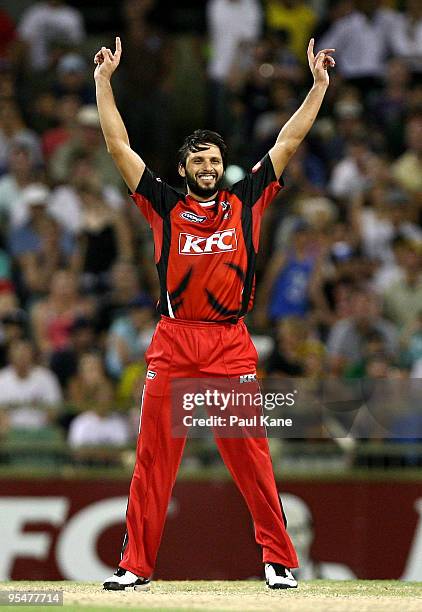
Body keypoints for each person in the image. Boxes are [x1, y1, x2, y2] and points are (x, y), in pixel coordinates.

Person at [94, 36, 335, 591]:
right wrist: (104, 83)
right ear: (183, 168)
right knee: (153, 460)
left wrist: (318, 87)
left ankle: (279, 560)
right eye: (199, 161)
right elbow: (116, 144)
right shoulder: (162, 203)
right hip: (174, 341)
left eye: (215, 160)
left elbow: (290, 139)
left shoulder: (247, 199)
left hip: (229, 344)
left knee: (250, 457)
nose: (209, 167)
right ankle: (135, 567)